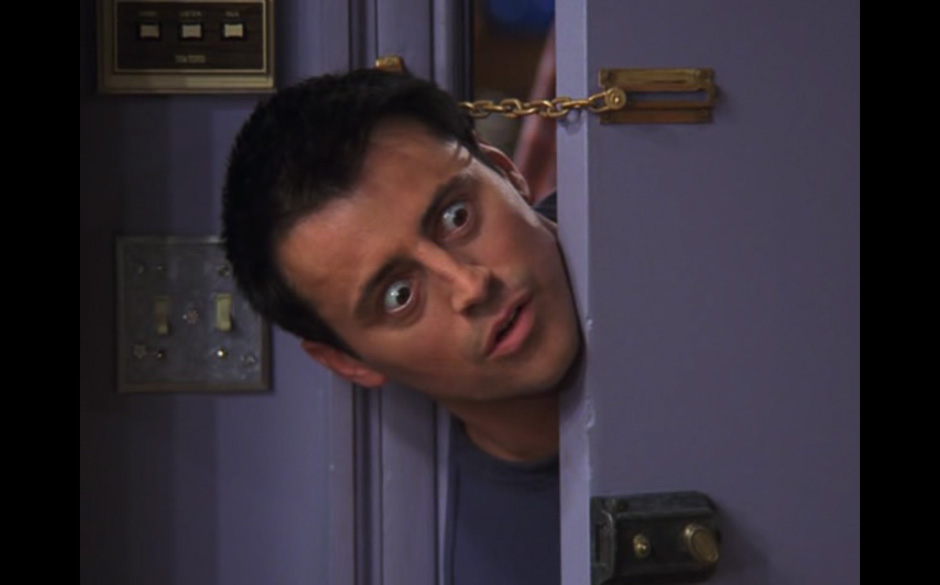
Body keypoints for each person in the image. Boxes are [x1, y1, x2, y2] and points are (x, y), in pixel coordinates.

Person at [222, 68, 582, 585]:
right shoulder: (461, 560)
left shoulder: (682, 216)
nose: (470, 286)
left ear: (506, 171)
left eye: (456, 218)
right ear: (348, 360)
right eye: (399, 296)